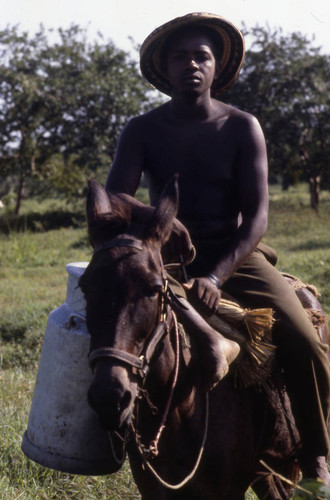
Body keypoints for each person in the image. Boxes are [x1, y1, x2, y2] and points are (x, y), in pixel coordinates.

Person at [105, 13, 330, 484]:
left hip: (236, 256)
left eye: (201, 56)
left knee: (306, 340)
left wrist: (214, 277)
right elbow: (114, 198)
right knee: (99, 328)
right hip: (164, 257)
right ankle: (98, 442)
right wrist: (158, 219)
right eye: (180, 56)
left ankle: (316, 453)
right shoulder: (141, 129)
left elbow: (258, 219)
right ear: (164, 69)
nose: (191, 64)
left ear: (216, 66)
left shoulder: (242, 126)